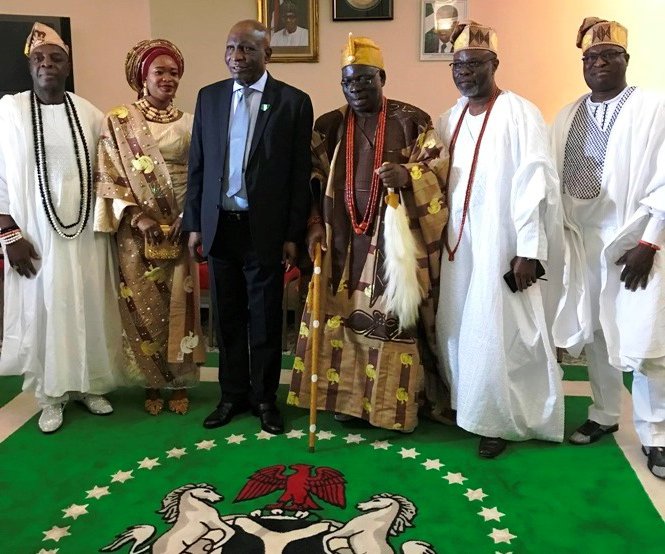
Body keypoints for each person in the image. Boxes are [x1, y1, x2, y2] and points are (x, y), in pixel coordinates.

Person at [288, 35, 450, 433]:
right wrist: (312, 226)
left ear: (382, 77)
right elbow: (310, 182)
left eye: (365, 80)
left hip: (392, 243)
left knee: (393, 321)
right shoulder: (328, 126)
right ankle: (347, 402)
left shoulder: (412, 119)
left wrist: (409, 176)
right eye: (349, 82)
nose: (357, 88)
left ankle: (392, 409)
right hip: (341, 241)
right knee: (342, 321)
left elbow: (438, 168)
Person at [435, 22, 565, 457]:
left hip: (502, 244)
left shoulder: (520, 112)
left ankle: (495, 419)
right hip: (457, 246)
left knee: (496, 328)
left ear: (495, 64)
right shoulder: (448, 118)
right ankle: (465, 405)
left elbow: (534, 183)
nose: (464, 72)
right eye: (457, 65)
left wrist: (528, 250)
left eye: (473, 64)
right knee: (456, 325)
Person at [183, 20, 313, 435]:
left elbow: (297, 175)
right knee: (228, 317)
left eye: (247, 50)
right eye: (232, 48)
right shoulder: (210, 98)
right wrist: (195, 224)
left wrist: (292, 233)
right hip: (220, 226)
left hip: (266, 231)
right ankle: (231, 395)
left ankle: (264, 399)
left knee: (265, 317)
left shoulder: (293, 102)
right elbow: (198, 165)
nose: (237, 58)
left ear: (267, 55)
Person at [552, 17, 665, 479]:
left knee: (646, 342)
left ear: (625, 60)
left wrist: (649, 242)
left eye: (608, 56)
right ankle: (603, 414)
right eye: (590, 58)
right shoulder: (566, 114)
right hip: (584, 242)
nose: (598, 63)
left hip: (636, 241)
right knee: (595, 331)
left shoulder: (654, 107)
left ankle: (656, 436)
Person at [0, 22, 123, 433]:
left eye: (56, 58)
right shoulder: (10, 112)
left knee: (86, 303)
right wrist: (9, 234)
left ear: (68, 66)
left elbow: (106, 174)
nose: (48, 65)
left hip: (86, 233)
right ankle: (51, 395)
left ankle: (89, 384)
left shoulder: (90, 113)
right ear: (30, 67)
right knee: (48, 308)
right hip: (35, 234)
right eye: (39, 59)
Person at [94, 39, 205, 416]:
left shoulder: (190, 122)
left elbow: (198, 174)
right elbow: (108, 176)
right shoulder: (119, 120)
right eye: (160, 72)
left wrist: (185, 218)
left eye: (174, 73)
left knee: (180, 305)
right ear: (143, 77)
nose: (168, 79)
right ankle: (150, 383)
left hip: (178, 227)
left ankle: (179, 381)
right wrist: (138, 217)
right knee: (142, 307)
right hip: (136, 230)